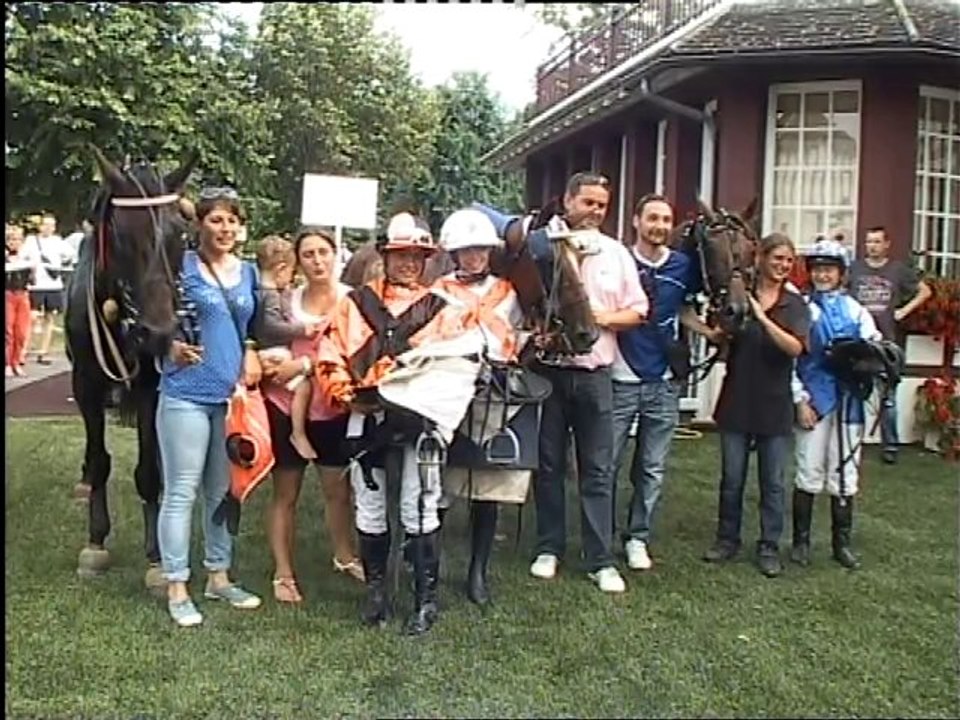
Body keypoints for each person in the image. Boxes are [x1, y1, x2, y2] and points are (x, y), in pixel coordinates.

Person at [316, 212, 471, 635]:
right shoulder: (355, 305)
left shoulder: (444, 311)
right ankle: (377, 596)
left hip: (420, 420)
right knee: (369, 506)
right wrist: (348, 397)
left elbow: (454, 365)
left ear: (426, 260)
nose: (409, 263)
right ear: (385, 255)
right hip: (367, 417)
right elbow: (329, 355)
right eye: (401, 255)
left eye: (417, 256)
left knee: (418, 507)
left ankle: (425, 602)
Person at [521, 172, 648, 594]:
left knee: (597, 469)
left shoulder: (616, 254)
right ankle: (549, 547)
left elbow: (637, 310)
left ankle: (600, 559)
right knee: (549, 465)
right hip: (551, 373)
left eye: (601, 206)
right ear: (569, 201)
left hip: (596, 375)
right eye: (588, 203)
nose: (594, 212)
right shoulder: (542, 247)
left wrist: (595, 320)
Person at [157, 187, 263, 628]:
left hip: (231, 397)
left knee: (224, 492)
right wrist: (168, 344)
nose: (225, 228)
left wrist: (253, 349)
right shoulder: (177, 268)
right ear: (199, 224)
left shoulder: (250, 272)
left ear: (241, 228)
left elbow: (251, 323)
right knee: (182, 490)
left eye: (232, 221)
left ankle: (218, 576)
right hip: (184, 393)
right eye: (216, 220)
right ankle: (177, 584)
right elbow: (145, 319)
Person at [611, 194, 724, 572]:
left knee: (652, 466)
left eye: (665, 219)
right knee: (606, 462)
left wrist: (709, 332)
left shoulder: (682, 265)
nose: (658, 226)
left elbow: (683, 310)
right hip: (620, 375)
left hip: (663, 381)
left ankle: (637, 537)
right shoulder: (618, 261)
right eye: (652, 218)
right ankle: (603, 534)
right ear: (636, 221)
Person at [258, 227, 364, 605]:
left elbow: (358, 352)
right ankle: (283, 572)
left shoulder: (353, 300)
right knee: (286, 492)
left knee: (338, 490)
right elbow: (267, 340)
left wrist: (305, 362)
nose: (318, 261)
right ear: (298, 261)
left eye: (324, 252)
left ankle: (344, 554)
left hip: (332, 405)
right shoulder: (287, 300)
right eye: (309, 254)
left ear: (336, 256)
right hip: (287, 405)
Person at [703, 232, 811, 578]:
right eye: (777, 258)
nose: (782, 265)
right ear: (761, 257)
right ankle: (726, 539)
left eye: (788, 261)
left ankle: (768, 546)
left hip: (774, 404)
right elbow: (720, 334)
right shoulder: (739, 295)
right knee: (731, 478)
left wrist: (763, 319)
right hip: (737, 399)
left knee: (773, 482)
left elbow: (795, 347)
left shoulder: (794, 305)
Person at [434, 207, 526, 605]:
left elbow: (518, 333)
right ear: (455, 253)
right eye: (467, 251)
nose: (475, 257)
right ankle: (430, 566)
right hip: (451, 392)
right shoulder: (438, 291)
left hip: (496, 392)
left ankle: (478, 571)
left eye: (481, 250)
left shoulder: (508, 292)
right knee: (439, 484)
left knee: (488, 486)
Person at [792, 238, 880, 571]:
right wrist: (800, 398)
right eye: (818, 269)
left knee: (844, 470)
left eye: (829, 269)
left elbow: (874, 348)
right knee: (809, 466)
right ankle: (801, 542)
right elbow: (793, 359)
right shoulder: (802, 308)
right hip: (814, 397)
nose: (823, 275)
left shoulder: (857, 311)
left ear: (841, 273)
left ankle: (840, 543)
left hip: (848, 401)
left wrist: (864, 364)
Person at [847, 226, 932, 464]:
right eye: (868, 241)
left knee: (888, 398)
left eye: (876, 242)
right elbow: (841, 293)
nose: (872, 246)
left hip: (887, 343)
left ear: (886, 245)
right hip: (859, 342)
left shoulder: (897, 271)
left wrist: (903, 310)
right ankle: (853, 439)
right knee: (854, 393)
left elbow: (925, 291)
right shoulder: (854, 269)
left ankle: (890, 446)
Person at [252, 235, 323, 461]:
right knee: (303, 386)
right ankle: (298, 432)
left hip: (266, 350)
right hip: (274, 350)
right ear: (281, 269)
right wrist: (302, 329)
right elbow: (271, 326)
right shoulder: (270, 295)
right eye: (291, 273)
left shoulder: (258, 291)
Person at [23, 213, 75, 365]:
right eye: (45, 224)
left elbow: (70, 255)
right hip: (36, 285)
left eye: (51, 225)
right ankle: (24, 349)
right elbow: (23, 256)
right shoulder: (31, 241)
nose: (48, 228)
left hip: (53, 285)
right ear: (40, 226)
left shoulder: (58, 241)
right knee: (32, 317)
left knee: (49, 318)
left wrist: (60, 265)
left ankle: (43, 351)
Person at [5, 223, 33, 377]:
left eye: (17, 240)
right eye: (11, 240)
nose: (14, 243)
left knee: (21, 331)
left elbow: (32, 280)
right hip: (8, 294)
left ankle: (16, 361)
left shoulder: (26, 258)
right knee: (8, 330)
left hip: (23, 295)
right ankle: (7, 363)